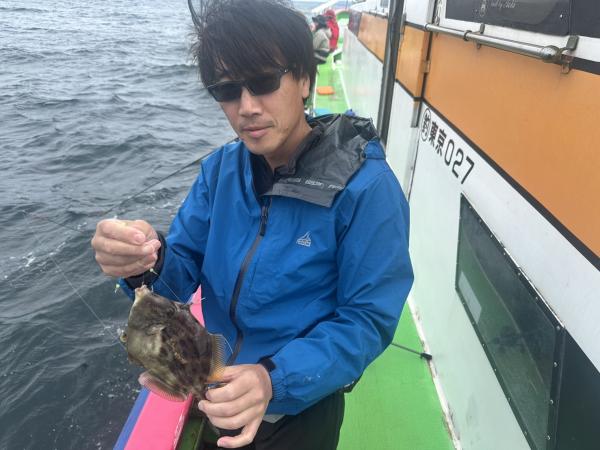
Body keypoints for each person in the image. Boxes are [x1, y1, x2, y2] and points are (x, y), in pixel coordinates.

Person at [91, 1, 413, 449]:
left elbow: (368, 318)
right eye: (226, 90)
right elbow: (178, 277)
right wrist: (144, 260)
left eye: (264, 82)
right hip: (216, 392)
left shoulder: (366, 189)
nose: (246, 107)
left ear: (304, 79)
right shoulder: (219, 171)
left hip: (300, 408)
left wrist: (272, 379)